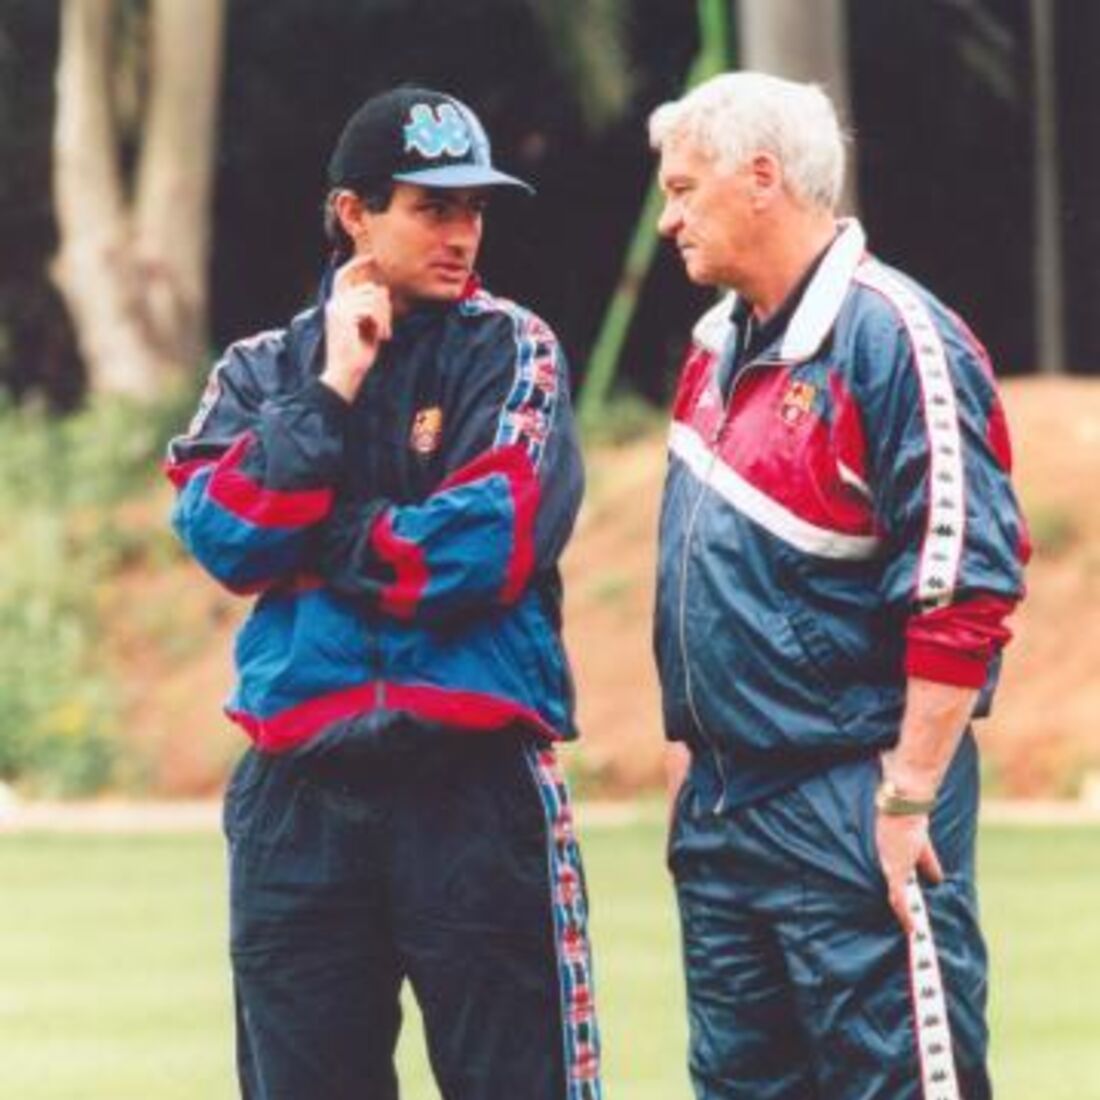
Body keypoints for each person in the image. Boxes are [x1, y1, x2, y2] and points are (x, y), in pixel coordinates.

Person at [165, 86, 601, 1100]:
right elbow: (226, 536)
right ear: (352, 213)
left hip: (472, 784)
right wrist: (329, 392)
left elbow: (484, 545)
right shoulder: (262, 368)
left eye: (475, 209)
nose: (463, 234)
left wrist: (316, 532)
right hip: (297, 796)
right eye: (432, 207)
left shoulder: (513, 349)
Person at [649, 72, 1028, 1099]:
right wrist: (691, 754)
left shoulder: (894, 336)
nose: (665, 216)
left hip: (848, 796)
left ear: (761, 178)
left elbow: (965, 584)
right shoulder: (711, 351)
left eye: (683, 188)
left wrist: (906, 792)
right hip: (726, 812)